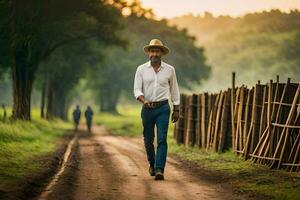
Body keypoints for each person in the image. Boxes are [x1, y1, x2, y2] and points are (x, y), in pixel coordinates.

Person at [134, 39, 180, 180]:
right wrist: (144, 100)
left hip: (163, 108)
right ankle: (152, 164)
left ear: (161, 53)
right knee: (148, 140)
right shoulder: (141, 69)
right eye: (152, 51)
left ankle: (160, 169)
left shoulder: (170, 70)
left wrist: (176, 108)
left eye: (157, 51)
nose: (155, 53)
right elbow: (136, 89)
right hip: (147, 109)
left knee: (161, 139)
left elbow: (174, 89)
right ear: (149, 53)